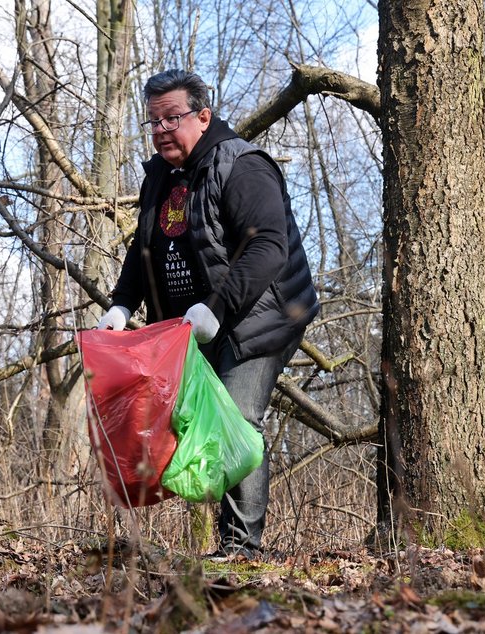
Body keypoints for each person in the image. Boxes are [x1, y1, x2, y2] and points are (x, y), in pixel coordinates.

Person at [97, 69, 319, 559]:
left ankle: (242, 550)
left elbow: (268, 248)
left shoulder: (242, 166)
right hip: (196, 324)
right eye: (152, 121)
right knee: (190, 422)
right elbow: (144, 248)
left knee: (236, 419)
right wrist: (120, 304)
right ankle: (223, 544)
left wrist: (215, 309)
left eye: (171, 118)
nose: (160, 130)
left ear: (203, 115)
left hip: (265, 314)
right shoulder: (160, 174)